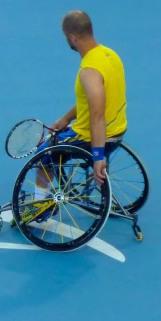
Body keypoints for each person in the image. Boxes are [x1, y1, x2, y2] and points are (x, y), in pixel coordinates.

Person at [34, 10, 127, 203]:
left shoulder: (89, 71)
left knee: (42, 153)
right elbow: (94, 101)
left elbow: (97, 114)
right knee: (57, 139)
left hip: (94, 137)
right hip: (118, 131)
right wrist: (66, 119)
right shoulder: (110, 55)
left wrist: (98, 156)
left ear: (72, 37)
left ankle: (38, 205)